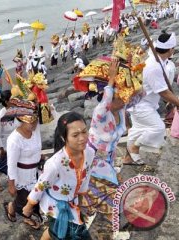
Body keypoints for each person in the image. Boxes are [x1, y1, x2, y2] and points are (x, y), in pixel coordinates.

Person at [22, 112, 94, 240]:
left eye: (84, 132)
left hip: (73, 202)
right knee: (70, 235)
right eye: (75, 135)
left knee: (55, 232)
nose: (82, 138)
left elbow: (85, 177)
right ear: (63, 137)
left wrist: (81, 201)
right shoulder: (55, 163)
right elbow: (41, 185)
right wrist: (29, 207)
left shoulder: (89, 153)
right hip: (56, 208)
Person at [80, 58, 127, 239]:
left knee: (107, 203)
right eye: (119, 96)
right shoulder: (100, 112)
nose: (123, 99)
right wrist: (111, 79)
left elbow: (138, 94)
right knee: (106, 202)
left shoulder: (119, 111)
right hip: (93, 165)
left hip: (106, 164)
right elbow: (107, 99)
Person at [125, 32, 179, 164]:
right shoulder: (154, 66)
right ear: (171, 50)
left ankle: (128, 158)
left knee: (137, 131)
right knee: (158, 128)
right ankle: (135, 147)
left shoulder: (158, 61)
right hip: (142, 105)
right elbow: (164, 93)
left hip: (141, 102)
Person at [5, 108, 42, 229]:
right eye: (31, 122)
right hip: (22, 175)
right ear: (21, 120)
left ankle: (28, 214)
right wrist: (11, 184)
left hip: (37, 171)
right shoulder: (14, 139)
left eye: (35, 121)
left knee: (36, 196)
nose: (34, 124)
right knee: (23, 199)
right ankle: (13, 207)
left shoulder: (35, 130)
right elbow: (11, 164)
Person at [0, 90, 18, 191]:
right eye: (12, 99)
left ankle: (12, 179)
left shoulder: (16, 111)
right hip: (1, 143)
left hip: (12, 140)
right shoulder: (0, 116)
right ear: (6, 101)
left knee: (12, 162)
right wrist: (1, 149)